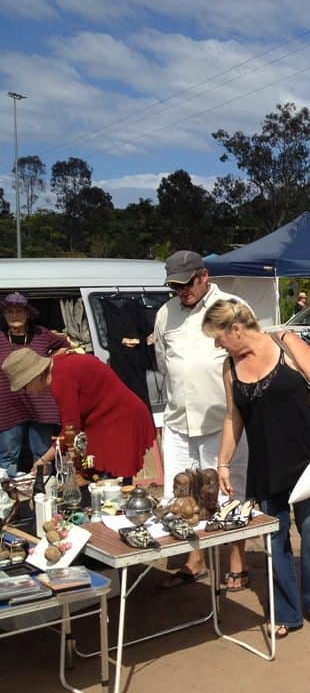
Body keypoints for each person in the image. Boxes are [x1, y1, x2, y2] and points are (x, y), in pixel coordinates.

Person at [203, 299, 310, 637]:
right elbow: (232, 416)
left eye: (219, 336)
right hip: (265, 462)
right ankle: (285, 612)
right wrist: (223, 462)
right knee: (273, 537)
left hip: (306, 455)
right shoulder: (230, 366)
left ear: (236, 329)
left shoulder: (286, 343)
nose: (217, 344)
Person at [153, 250, 249, 591]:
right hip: (180, 420)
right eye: (175, 286)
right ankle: (195, 560)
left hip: (222, 420)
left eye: (186, 284)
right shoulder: (165, 314)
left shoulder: (231, 306)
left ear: (204, 276)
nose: (182, 291)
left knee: (228, 492)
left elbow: (250, 358)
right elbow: (164, 363)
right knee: (183, 495)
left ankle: (237, 560)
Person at [2, 349, 155, 478]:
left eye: (24, 387)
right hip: (108, 421)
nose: (26, 392)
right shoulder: (60, 364)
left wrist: (43, 460)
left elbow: (71, 429)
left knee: (112, 484)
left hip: (120, 421)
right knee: (94, 473)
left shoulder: (61, 379)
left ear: (34, 376)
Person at [0, 293, 69, 477]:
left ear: (27, 314)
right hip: (8, 406)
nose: (14, 316)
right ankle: (8, 500)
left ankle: (44, 495)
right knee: (7, 457)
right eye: (10, 312)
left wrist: (46, 363)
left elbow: (64, 345)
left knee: (42, 453)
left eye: (19, 311)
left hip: (40, 403)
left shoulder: (41, 334)